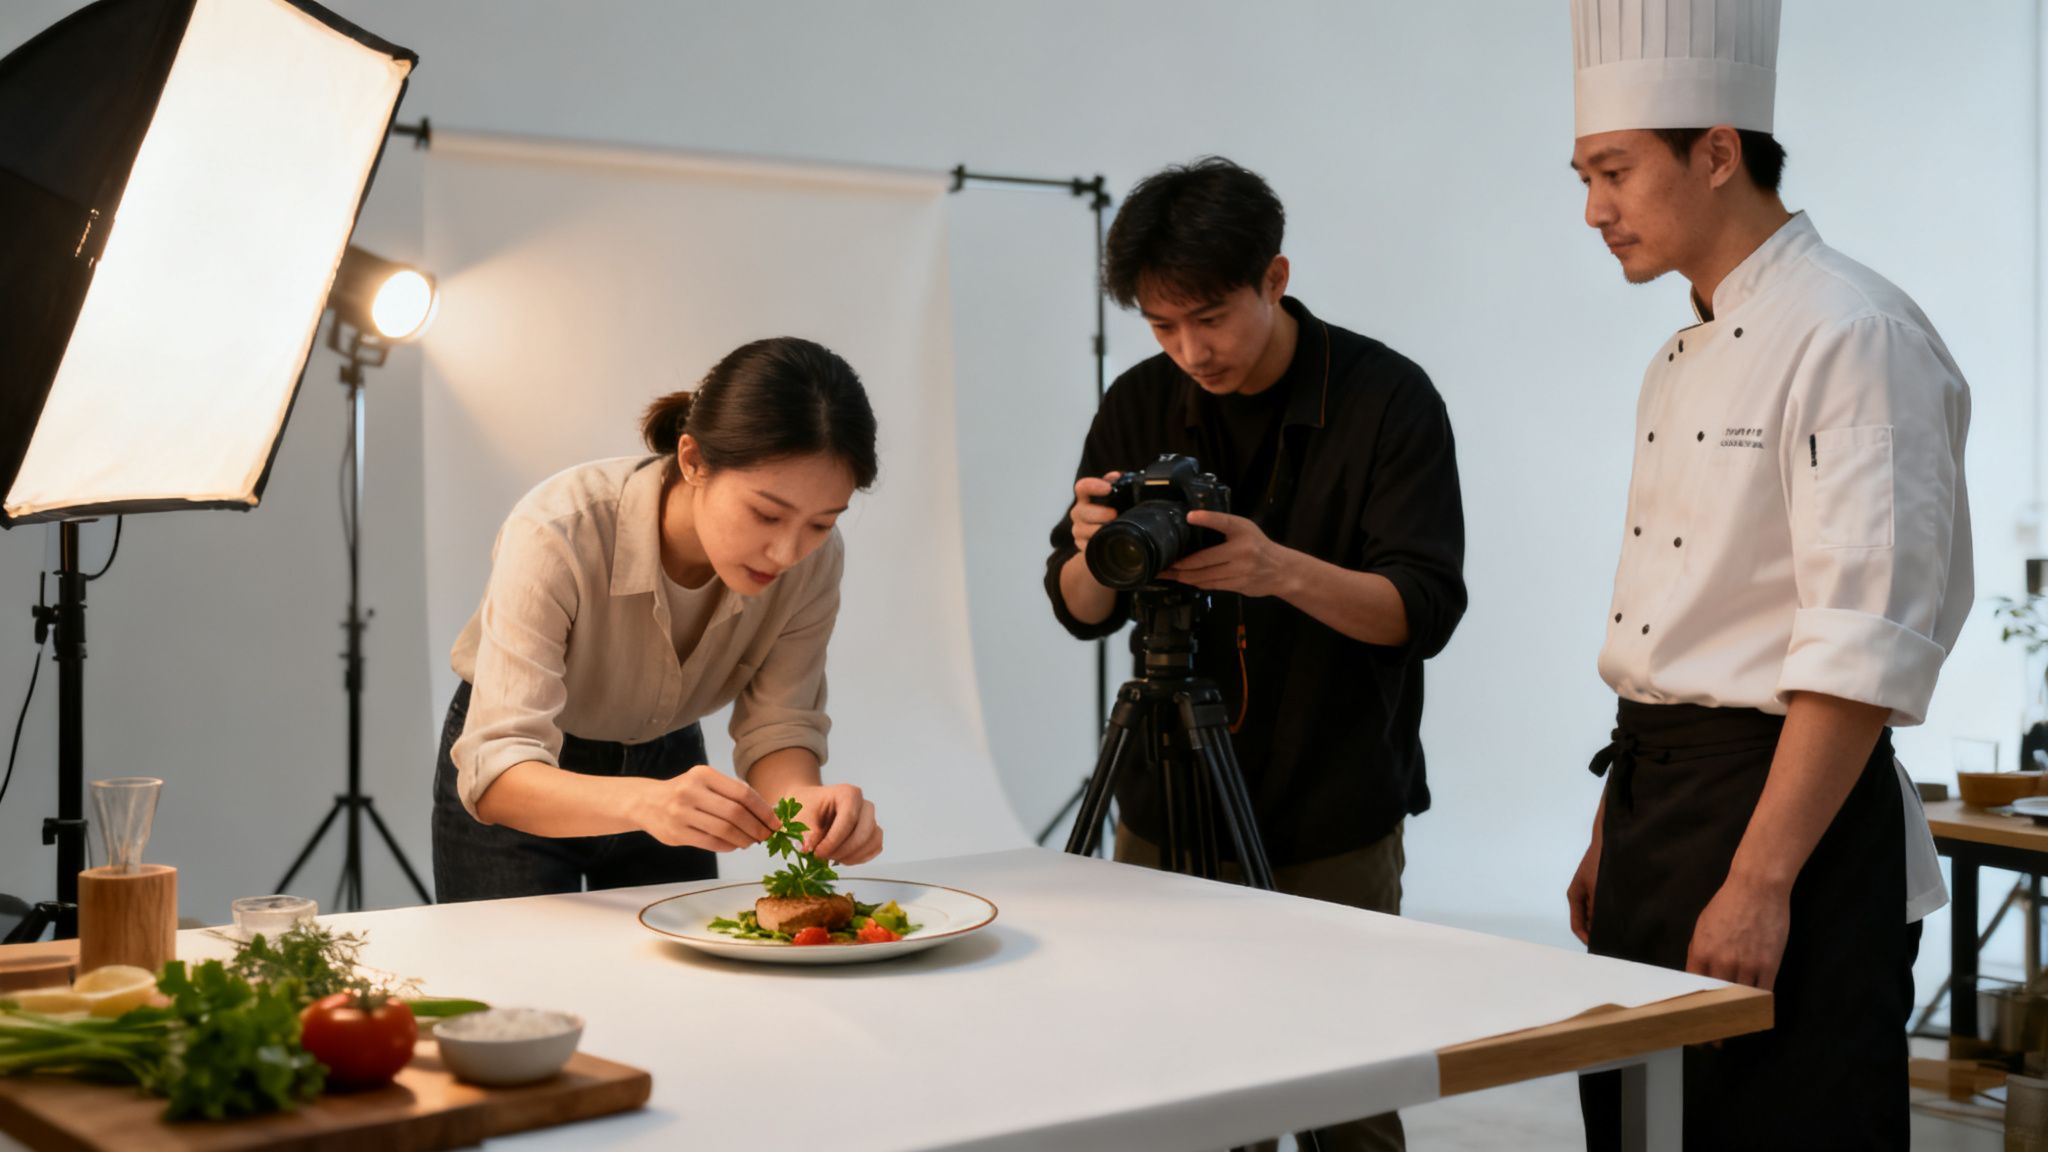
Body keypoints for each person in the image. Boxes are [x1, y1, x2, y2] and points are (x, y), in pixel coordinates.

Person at [1562, 2, 1970, 1147]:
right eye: (1582, 176)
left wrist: (1757, 882)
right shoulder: (1676, 354)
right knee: (1639, 1124)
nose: (1592, 211)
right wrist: (1613, 827)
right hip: (1658, 804)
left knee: (1779, 1125)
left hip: (1785, 820)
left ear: (1716, 151)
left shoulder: (1854, 333)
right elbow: (1677, 625)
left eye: (1612, 172)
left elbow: (1858, 637)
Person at [1044, 157, 1466, 1152]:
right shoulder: (1138, 402)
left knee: (1341, 1093)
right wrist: (1092, 552)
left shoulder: (1385, 399)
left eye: (1209, 317)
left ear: (1273, 278)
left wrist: (1279, 571)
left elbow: (1423, 611)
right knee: (1176, 1086)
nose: (1190, 350)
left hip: (1328, 809)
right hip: (1165, 810)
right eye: (1159, 325)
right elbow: (1072, 608)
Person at [432, 336, 886, 902]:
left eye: (821, 522)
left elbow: (780, 723)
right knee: (511, 977)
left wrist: (804, 801)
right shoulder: (558, 531)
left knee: (680, 985)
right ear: (693, 460)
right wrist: (645, 802)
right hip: (532, 772)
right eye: (766, 513)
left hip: (670, 760)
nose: (786, 552)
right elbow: (498, 775)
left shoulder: (816, 562)